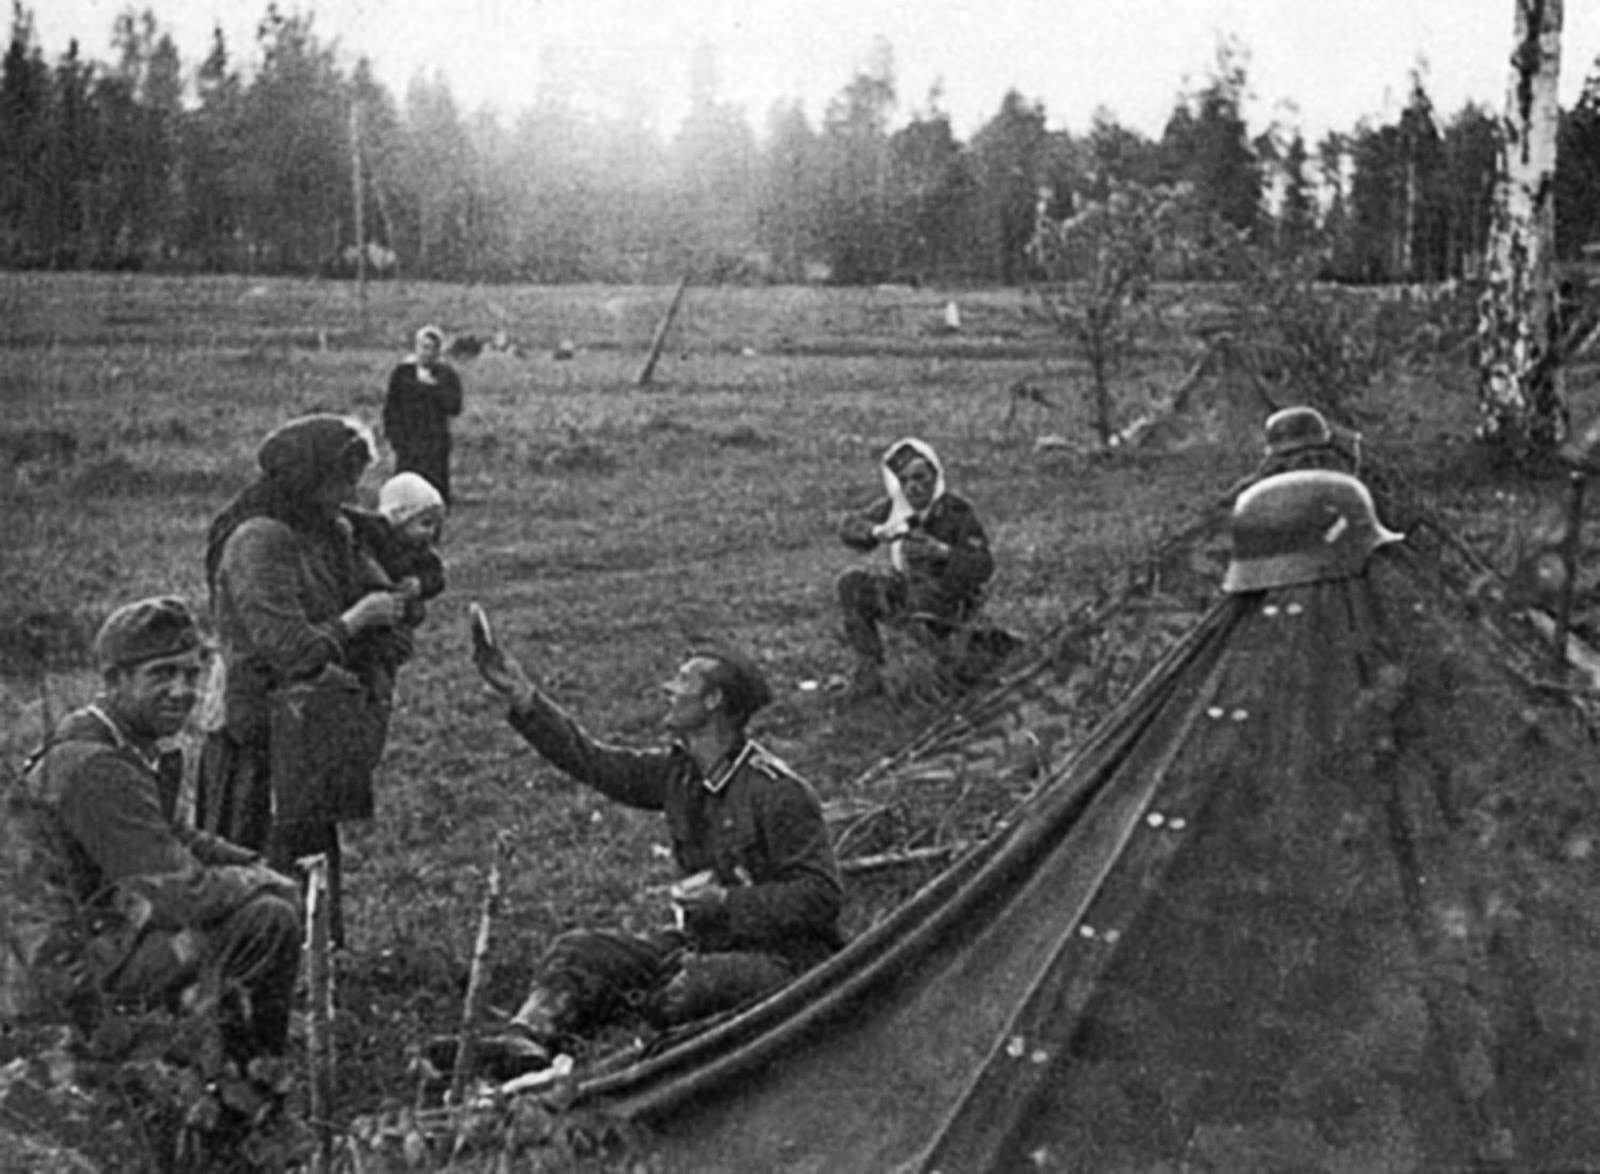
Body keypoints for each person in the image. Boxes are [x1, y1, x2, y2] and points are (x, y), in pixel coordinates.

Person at [459, 622, 845, 1076]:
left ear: (713, 701)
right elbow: (594, 762)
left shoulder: (778, 793)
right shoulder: (679, 774)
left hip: (784, 961)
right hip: (705, 944)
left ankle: (634, 1041)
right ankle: (526, 1040)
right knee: (580, 950)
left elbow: (822, 898)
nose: (668, 688)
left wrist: (726, 902)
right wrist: (524, 698)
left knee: (697, 985)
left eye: (683, 680)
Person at [15, 597, 301, 1063]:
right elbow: (179, 893)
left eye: (191, 674)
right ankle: (247, 1087)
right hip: (58, 979)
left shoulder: (115, 739)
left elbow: (169, 834)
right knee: (267, 921)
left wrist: (251, 864)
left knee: (254, 904)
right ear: (115, 681)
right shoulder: (96, 766)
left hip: (91, 941)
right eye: (161, 674)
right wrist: (260, 882)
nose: (182, 690)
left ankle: (206, 1063)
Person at [198, 414, 405, 946]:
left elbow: (383, 597)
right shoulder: (258, 540)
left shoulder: (326, 531)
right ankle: (253, 979)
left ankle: (316, 969)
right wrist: (361, 619)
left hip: (311, 729)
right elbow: (292, 651)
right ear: (305, 478)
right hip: (257, 731)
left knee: (307, 853)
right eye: (340, 480)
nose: (348, 493)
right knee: (252, 862)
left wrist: (390, 613)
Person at [836, 437, 996, 697]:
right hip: (906, 591)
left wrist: (943, 553)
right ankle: (870, 670)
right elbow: (850, 527)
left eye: (921, 478)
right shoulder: (894, 508)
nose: (914, 487)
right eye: (905, 481)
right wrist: (878, 531)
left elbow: (983, 566)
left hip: (950, 599)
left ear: (935, 475)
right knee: (852, 584)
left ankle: (937, 673)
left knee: (927, 609)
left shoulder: (956, 512)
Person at [383, 324, 464, 504]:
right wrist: (393, 436)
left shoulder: (446, 375)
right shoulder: (402, 374)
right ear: (416, 347)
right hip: (407, 441)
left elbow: (454, 407)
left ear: (438, 352)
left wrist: (432, 389)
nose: (427, 353)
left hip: (434, 443)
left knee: (433, 490)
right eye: (423, 347)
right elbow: (391, 407)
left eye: (432, 348)